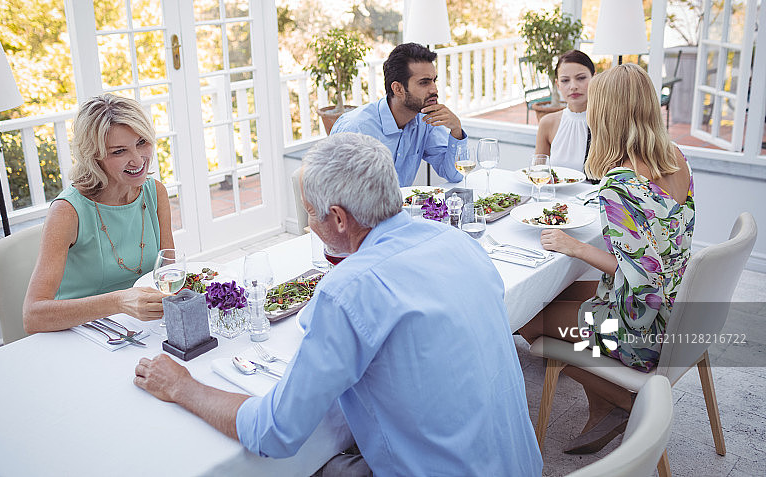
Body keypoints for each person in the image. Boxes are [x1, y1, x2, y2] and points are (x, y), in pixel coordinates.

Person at [134, 133, 542, 477]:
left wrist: (182, 386)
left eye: (311, 214)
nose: (310, 226)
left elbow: (274, 433)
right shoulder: (456, 241)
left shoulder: (348, 290)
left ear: (339, 218)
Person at [520, 63, 695, 454]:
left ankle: (622, 402)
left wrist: (576, 247)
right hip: (676, 310)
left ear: (605, 113)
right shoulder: (676, 157)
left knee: (526, 316)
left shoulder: (621, 182)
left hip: (640, 330)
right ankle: (602, 404)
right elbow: (658, 254)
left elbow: (641, 277)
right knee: (553, 295)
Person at [23, 94, 172, 333]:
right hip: (79, 333)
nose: (138, 160)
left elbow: (168, 274)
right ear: (93, 157)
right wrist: (119, 302)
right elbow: (32, 316)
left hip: (141, 330)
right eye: (119, 151)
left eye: (142, 142)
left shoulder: (155, 192)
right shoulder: (67, 211)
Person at [330, 42, 466, 187]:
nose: (434, 89)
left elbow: (455, 174)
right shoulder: (356, 129)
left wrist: (456, 130)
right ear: (398, 89)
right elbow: (336, 192)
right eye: (424, 83)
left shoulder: (425, 120)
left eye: (434, 81)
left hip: (402, 203)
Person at [534, 49, 595, 173]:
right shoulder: (548, 123)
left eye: (581, 78)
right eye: (565, 80)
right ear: (558, 84)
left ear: (594, 78)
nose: (573, 86)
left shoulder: (607, 123)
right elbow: (538, 172)